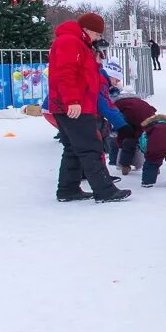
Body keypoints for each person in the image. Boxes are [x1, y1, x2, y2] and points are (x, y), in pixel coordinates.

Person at [48, 13, 130, 203]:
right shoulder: (70, 42)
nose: (99, 38)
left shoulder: (78, 43)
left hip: (73, 104)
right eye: (97, 34)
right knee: (90, 147)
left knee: (73, 148)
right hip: (75, 105)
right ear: (88, 30)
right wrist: (72, 101)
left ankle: (68, 189)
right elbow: (66, 74)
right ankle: (105, 191)